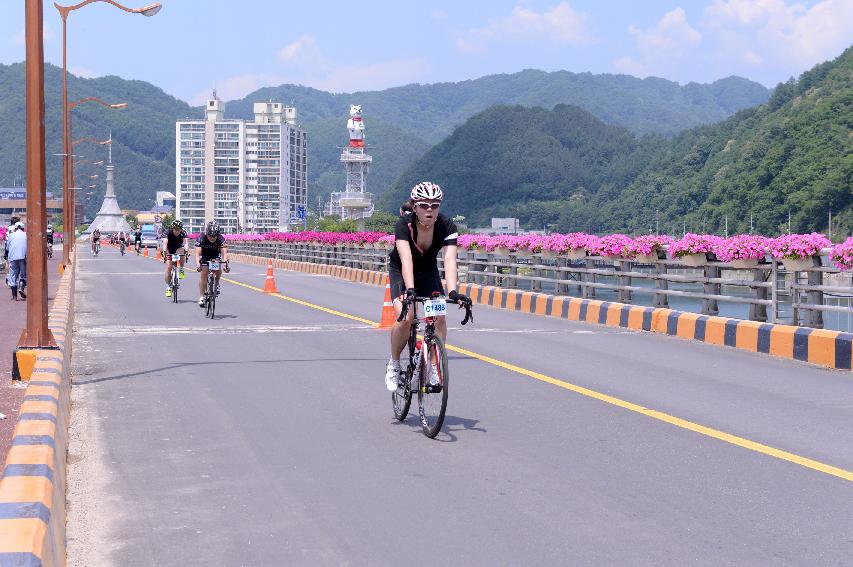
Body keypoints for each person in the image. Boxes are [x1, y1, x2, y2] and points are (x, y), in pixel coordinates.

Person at [384, 182, 471, 391]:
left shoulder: (447, 226)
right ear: (414, 206)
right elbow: (406, 259)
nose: (429, 209)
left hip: (429, 273)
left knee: (439, 318)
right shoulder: (404, 225)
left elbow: (449, 260)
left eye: (435, 205)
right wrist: (410, 290)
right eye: (424, 205)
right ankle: (394, 364)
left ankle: (433, 367)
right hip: (403, 273)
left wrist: (452, 292)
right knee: (407, 317)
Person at [194, 221, 229, 307]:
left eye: (214, 236)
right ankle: (202, 297)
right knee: (204, 275)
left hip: (215, 255)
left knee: (218, 268)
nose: (212, 238)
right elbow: (197, 254)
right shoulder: (201, 238)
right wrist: (198, 265)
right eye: (210, 236)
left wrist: (225, 264)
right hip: (205, 256)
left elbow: (224, 253)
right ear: (207, 234)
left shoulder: (221, 239)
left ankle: (216, 283)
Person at [163, 220, 189, 297]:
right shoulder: (168, 232)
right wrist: (164, 252)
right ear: (172, 228)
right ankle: (168, 287)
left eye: (179, 229)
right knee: (168, 267)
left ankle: (181, 269)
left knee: (182, 253)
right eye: (176, 229)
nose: (177, 231)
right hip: (170, 248)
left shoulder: (183, 232)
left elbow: (186, 243)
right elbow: (164, 243)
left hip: (179, 247)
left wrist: (187, 251)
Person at [6, 222, 26, 300]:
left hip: (13, 257)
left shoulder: (11, 235)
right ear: (23, 228)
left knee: (13, 276)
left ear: (15, 228)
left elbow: (7, 248)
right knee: (24, 274)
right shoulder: (26, 235)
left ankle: (14, 296)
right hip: (23, 257)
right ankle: (21, 287)